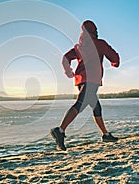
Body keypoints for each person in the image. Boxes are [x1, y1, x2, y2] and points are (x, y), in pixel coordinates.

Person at [51, 20, 120, 151]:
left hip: (81, 80)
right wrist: (114, 63)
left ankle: (105, 135)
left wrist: (69, 72)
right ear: (94, 31)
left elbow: (65, 58)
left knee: (96, 107)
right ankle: (59, 130)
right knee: (80, 104)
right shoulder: (100, 44)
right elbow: (114, 57)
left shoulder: (79, 47)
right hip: (92, 80)